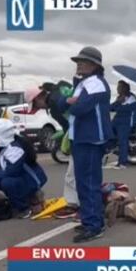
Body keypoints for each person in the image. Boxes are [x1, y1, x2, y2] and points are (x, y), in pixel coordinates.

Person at [58, 46, 113, 243]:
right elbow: (68, 104)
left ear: (95, 65)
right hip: (81, 138)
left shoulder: (95, 83)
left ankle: (94, 226)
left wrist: (72, 100)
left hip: (91, 138)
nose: (78, 63)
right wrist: (71, 99)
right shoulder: (85, 83)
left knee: (89, 183)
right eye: (77, 61)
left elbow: (79, 109)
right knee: (84, 182)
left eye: (83, 61)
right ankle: (91, 219)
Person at [25, 81, 79, 219]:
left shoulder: (54, 104)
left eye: (36, 105)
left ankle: (73, 205)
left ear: (38, 98)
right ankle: (81, 203)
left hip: (79, 138)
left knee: (72, 176)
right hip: (86, 135)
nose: (38, 108)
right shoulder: (59, 90)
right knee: (80, 174)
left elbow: (68, 125)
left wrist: (68, 144)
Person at [0, 119, 47, 219]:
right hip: (13, 178)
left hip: (29, 180)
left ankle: (24, 207)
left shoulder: (15, 148)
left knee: (8, 182)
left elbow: (11, 172)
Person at [110, 80, 136, 169]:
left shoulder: (132, 99)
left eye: (119, 87)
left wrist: (119, 103)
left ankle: (122, 163)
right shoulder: (120, 97)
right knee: (107, 134)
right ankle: (112, 149)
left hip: (125, 123)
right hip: (116, 121)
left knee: (122, 141)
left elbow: (124, 109)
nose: (117, 89)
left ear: (124, 88)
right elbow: (112, 108)